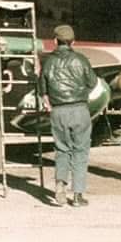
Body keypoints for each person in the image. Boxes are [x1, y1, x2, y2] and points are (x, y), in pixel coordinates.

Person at [38, 24, 97, 207]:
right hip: (80, 110)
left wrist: (49, 101)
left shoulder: (48, 62)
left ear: (55, 41)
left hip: (58, 112)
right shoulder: (81, 60)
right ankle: (78, 196)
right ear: (73, 42)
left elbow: (42, 89)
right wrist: (82, 92)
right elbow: (93, 82)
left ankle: (60, 186)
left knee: (62, 150)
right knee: (80, 152)